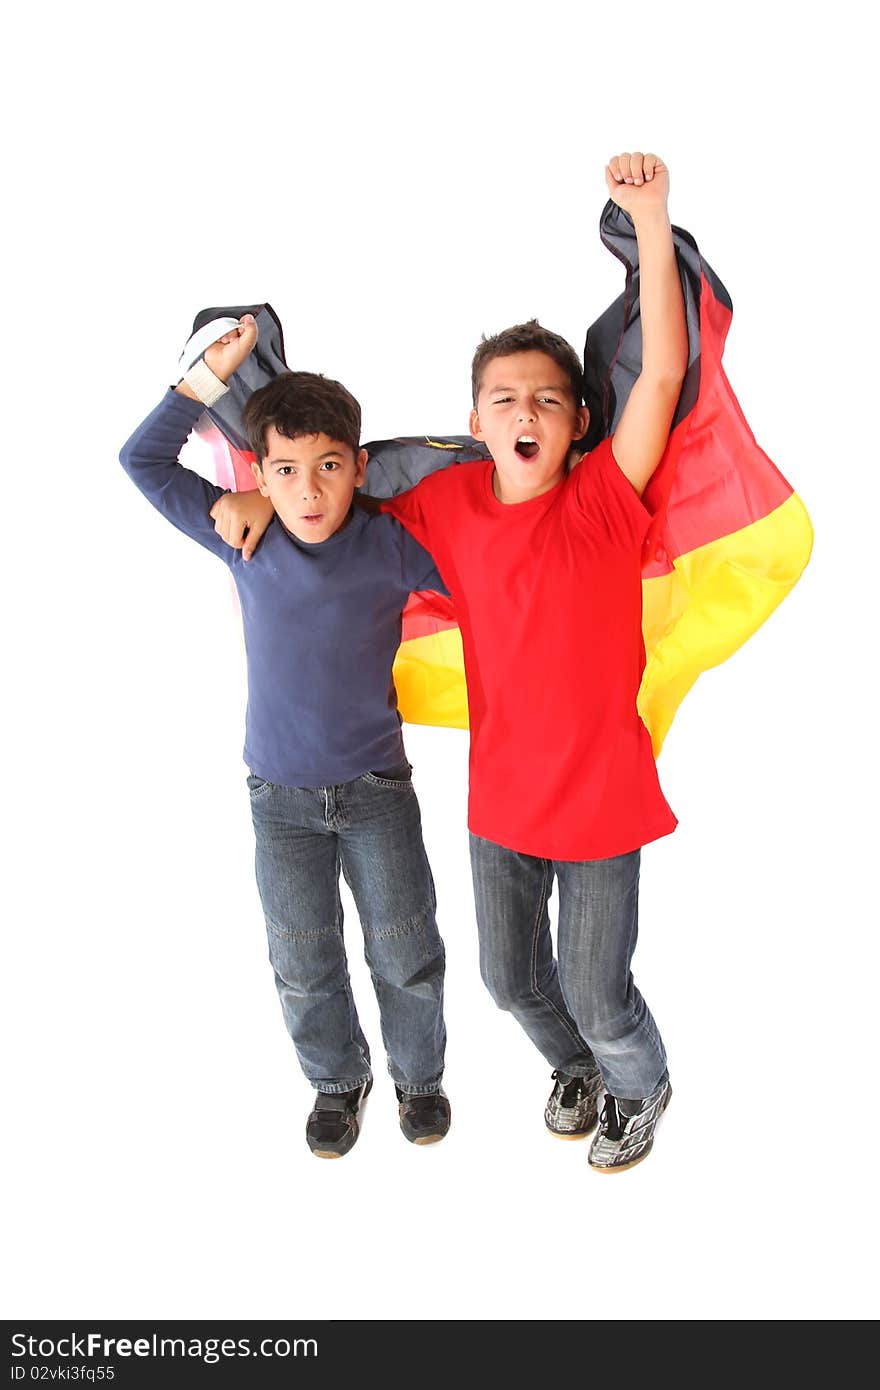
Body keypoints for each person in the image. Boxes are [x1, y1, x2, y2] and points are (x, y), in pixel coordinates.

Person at [212, 151, 687, 1172]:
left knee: (599, 987)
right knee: (510, 979)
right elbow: (325, 499)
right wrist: (259, 495)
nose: (523, 412)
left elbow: (659, 371)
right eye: (502, 399)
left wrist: (650, 219)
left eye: (547, 400)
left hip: (601, 797)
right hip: (500, 799)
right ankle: (578, 1065)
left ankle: (637, 1080)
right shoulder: (444, 505)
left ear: (578, 423)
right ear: (473, 425)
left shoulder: (608, 498)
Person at [119, 319, 451, 1159]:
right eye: (287, 471)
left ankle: (420, 1077)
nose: (309, 491)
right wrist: (200, 384)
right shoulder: (246, 535)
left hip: (377, 789)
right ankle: (338, 1083)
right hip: (281, 798)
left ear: (359, 468)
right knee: (302, 961)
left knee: (406, 950)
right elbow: (142, 462)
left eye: (329, 467)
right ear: (259, 473)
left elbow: (492, 574)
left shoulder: (388, 545)